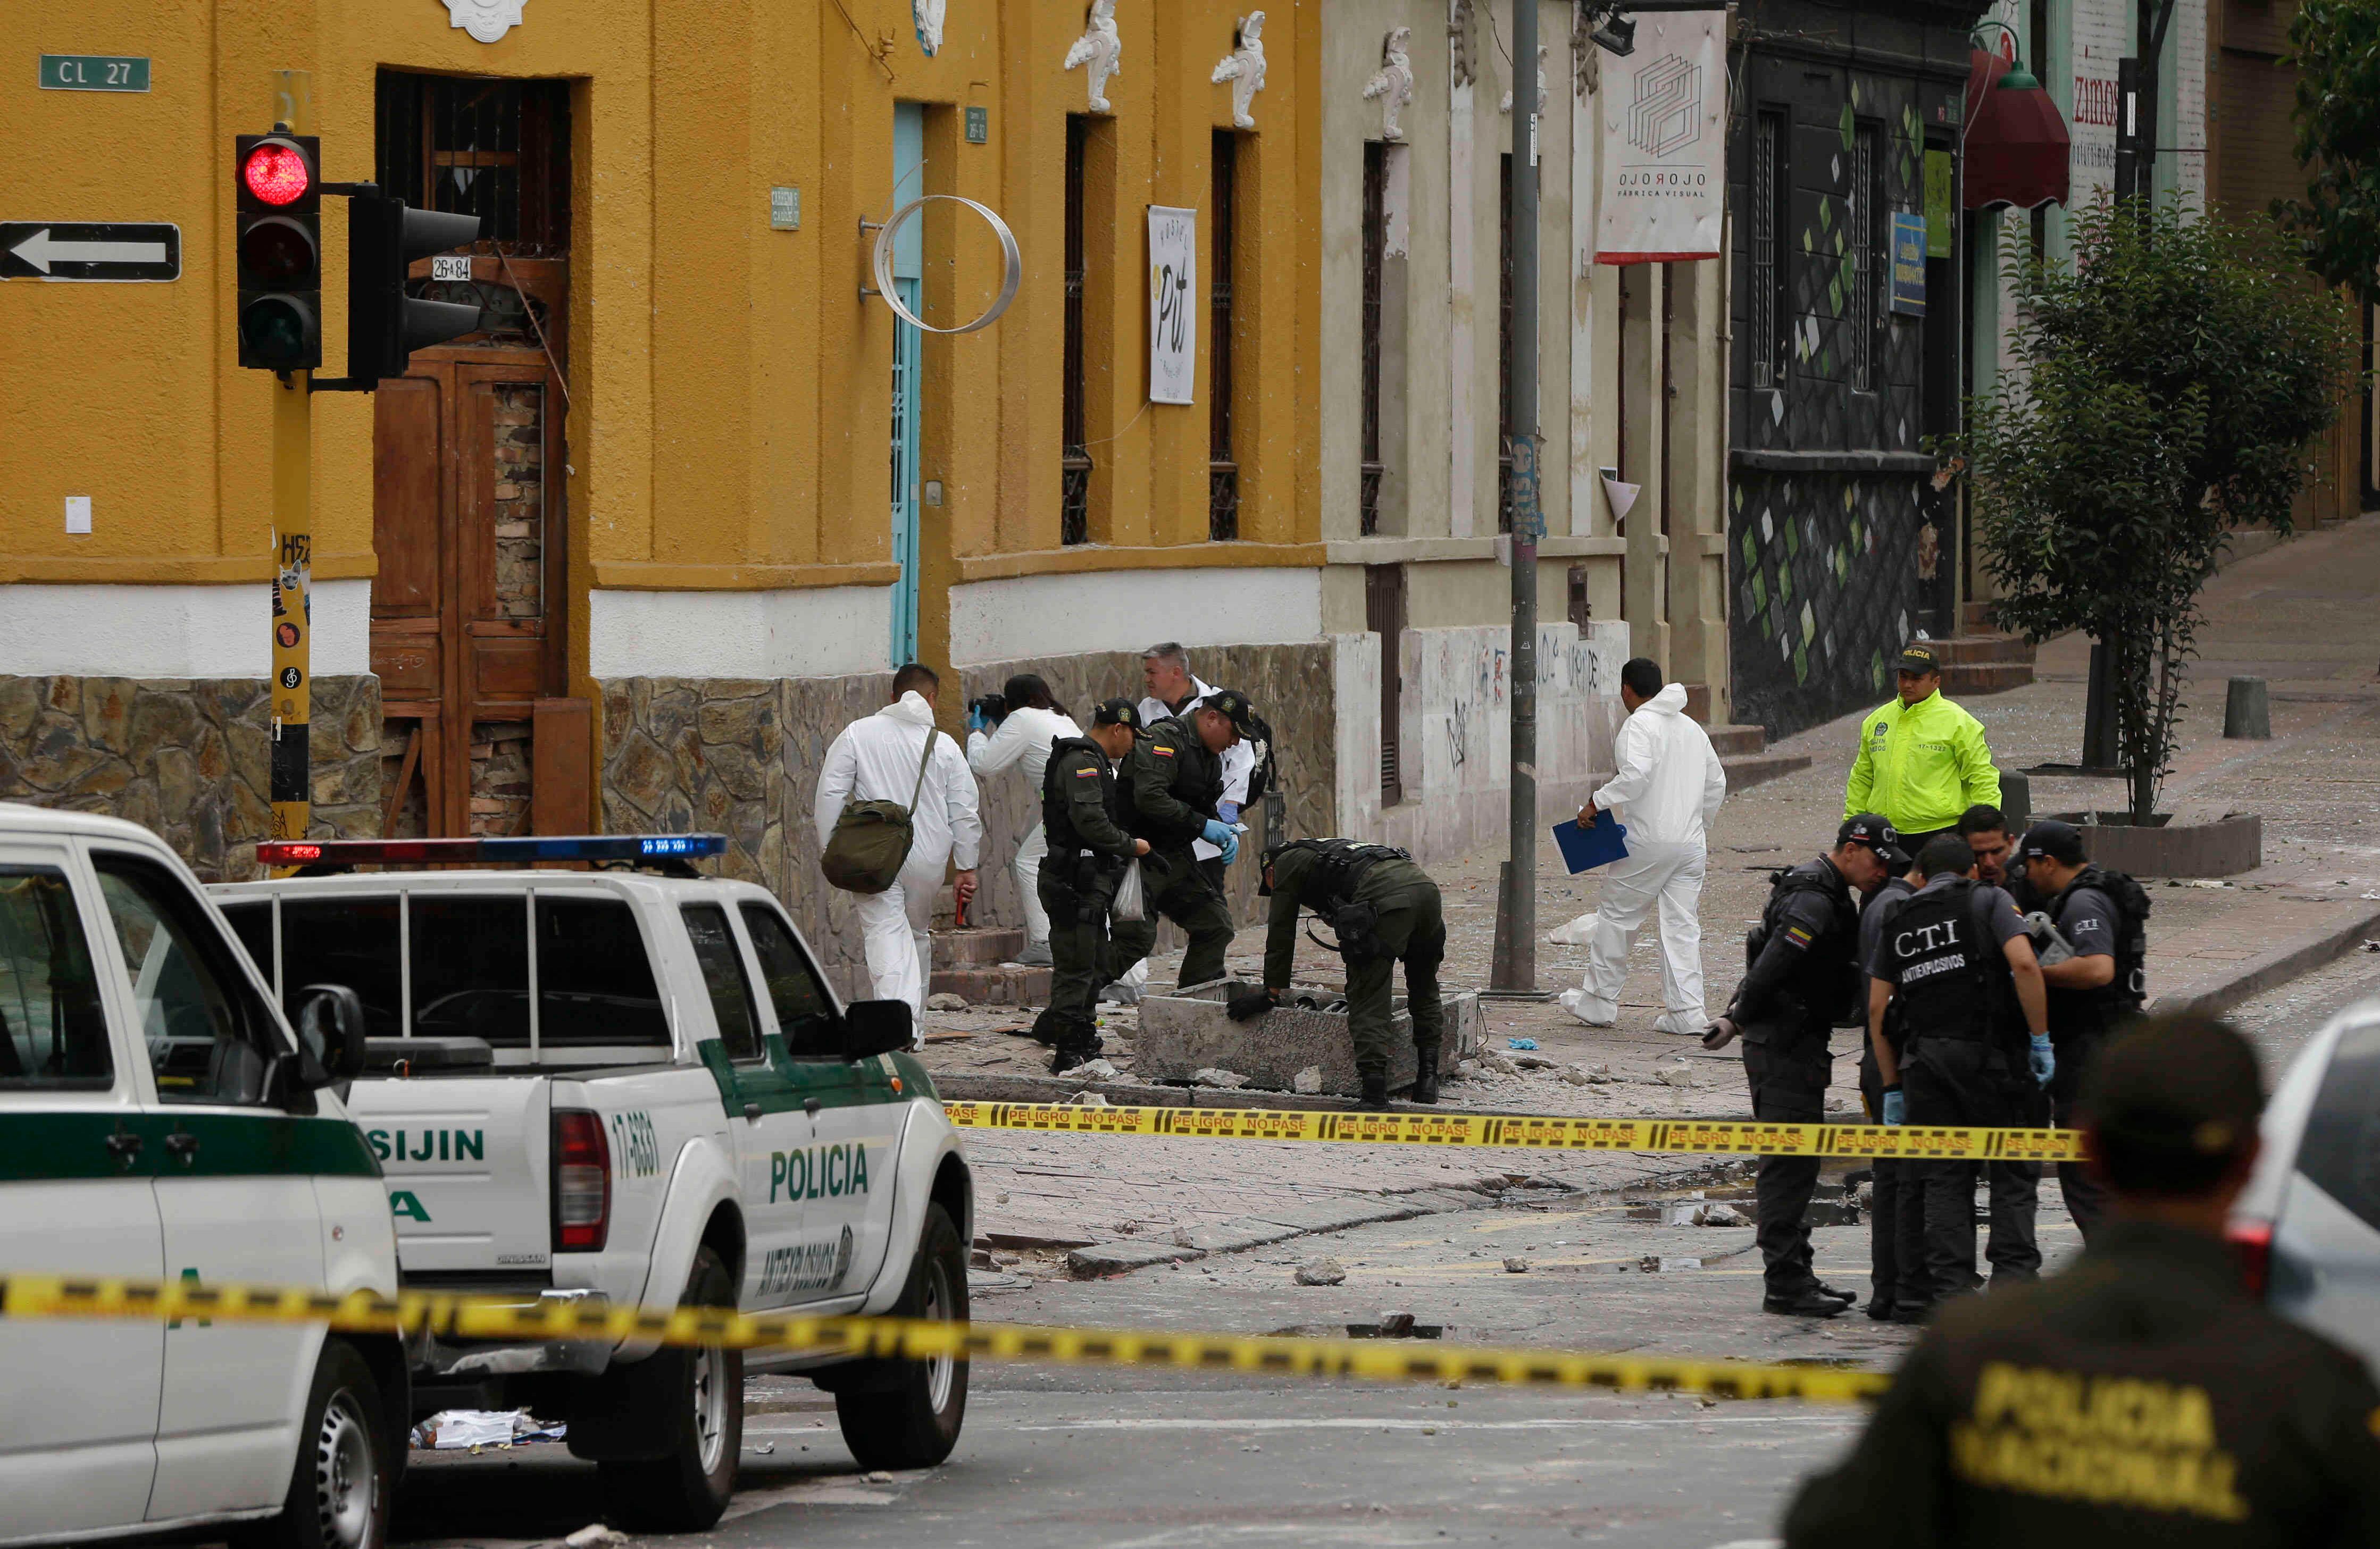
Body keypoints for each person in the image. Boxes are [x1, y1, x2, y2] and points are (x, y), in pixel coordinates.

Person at [1784, 1014, 2380, 1545]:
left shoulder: (1972, 1348)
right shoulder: (2311, 1388)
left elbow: (1834, 1526)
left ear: (2089, 1149)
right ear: (2252, 1158)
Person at [1703, 815, 1900, 1317]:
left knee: (1800, 1163)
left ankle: (1797, 1272)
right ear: (1853, 849)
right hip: (1782, 1045)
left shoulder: (1831, 890)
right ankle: (1785, 1284)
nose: (1881, 871)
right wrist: (1735, 1018)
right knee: (1786, 1167)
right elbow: (1774, 962)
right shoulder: (1813, 897)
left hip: (1799, 1043)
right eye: (1878, 860)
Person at [1867, 835, 2051, 1321]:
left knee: (1945, 1179)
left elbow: (1876, 1009)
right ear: (1970, 870)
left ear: (1922, 876)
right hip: (1990, 1059)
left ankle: (1952, 1292)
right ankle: (2012, 1286)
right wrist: (2040, 1038)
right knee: (2010, 1171)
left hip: (1924, 1066)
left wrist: (1890, 1087)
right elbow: (2025, 963)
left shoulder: (1899, 916)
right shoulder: (1988, 898)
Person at [1553, 657, 1727, 1037]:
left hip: (1648, 840)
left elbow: (1633, 778)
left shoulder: (1637, 726)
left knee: (1617, 916)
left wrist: (1595, 802)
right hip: (1690, 844)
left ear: (1627, 689)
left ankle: (1598, 1001)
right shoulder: (1691, 728)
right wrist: (1698, 824)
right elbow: (1716, 782)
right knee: (1682, 925)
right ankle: (1686, 1011)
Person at [813, 663, 982, 1026]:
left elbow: (830, 792)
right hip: (928, 857)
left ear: (891, 697)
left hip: (874, 854)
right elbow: (965, 810)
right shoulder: (945, 746)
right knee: (916, 933)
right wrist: (966, 865)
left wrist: (830, 849)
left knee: (885, 932)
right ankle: (913, 1026)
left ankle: (895, 1027)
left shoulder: (858, 733)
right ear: (932, 698)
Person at [1234, 840, 1448, 1110]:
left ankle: (1374, 1096)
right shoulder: (1333, 854)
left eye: (1270, 884)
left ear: (1269, 871)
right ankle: (1428, 1081)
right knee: (1424, 986)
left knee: (1368, 994)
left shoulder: (1286, 864)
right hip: (1427, 893)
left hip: (1387, 900)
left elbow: (1281, 933)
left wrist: (1271, 993)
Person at [1104, 643, 1262, 1004]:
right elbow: (1150, 798)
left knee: (1215, 925)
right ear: (1211, 719)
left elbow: (1207, 798)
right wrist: (1203, 825)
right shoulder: (1164, 738)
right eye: (1233, 733)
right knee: (1135, 941)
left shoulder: (1209, 755)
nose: (1235, 742)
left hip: (1174, 856)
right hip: (1138, 854)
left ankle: (1193, 1005)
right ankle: (1072, 1004)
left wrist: (1226, 827)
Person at [2021, 819, 2151, 1242]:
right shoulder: (2095, 890)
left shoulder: (2083, 902)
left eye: (2030, 864)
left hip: (2093, 1046)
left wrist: (2035, 974)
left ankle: (2113, 1266)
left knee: (2083, 1168)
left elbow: (2097, 969)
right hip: (2116, 1038)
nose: (2026, 874)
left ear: (2048, 862)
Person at [1032, 699, 1150, 1073]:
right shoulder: (1083, 761)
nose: (1132, 745)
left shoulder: (1093, 760)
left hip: (1086, 878)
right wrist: (1132, 845)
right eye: (1132, 735)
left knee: (1093, 960)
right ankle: (1066, 1047)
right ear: (1118, 728)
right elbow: (1091, 823)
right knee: (1076, 967)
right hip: (1073, 880)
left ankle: (1082, 1037)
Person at [965, 673, 1083, 967]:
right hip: (1092, 801)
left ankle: (1044, 943)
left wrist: (978, 732)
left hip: (1073, 809)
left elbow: (984, 764)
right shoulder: (1059, 716)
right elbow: (1025, 743)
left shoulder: (1021, 719)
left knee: (1029, 862)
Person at [1854, 844, 1923, 1321]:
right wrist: (1895, 1078)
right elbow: (1883, 1003)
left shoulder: (1877, 903)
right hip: (1890, 1060)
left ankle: (1887, 1290)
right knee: (1904, 1180)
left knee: (1890, 1178)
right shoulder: (1897, 908)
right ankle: (1900, 1289)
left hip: (1875, 1058)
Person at [1843, 643, 2001, 851]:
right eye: (1903, 677)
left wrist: (1987, 828)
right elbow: (1863, 777)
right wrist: (1852, 825)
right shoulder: (1876, 721)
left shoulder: (1959, 722)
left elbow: (1981, 775)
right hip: (1884, 835)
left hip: (1941, 833)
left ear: (1936, 682)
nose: (1908, 684)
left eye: (1916, 679)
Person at [1957, 802, 2039, 911]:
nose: (1989, 862)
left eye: (1996, 852)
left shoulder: (2033, 887)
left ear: (2010, 843)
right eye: (1978, 854)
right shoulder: (1952, 895)